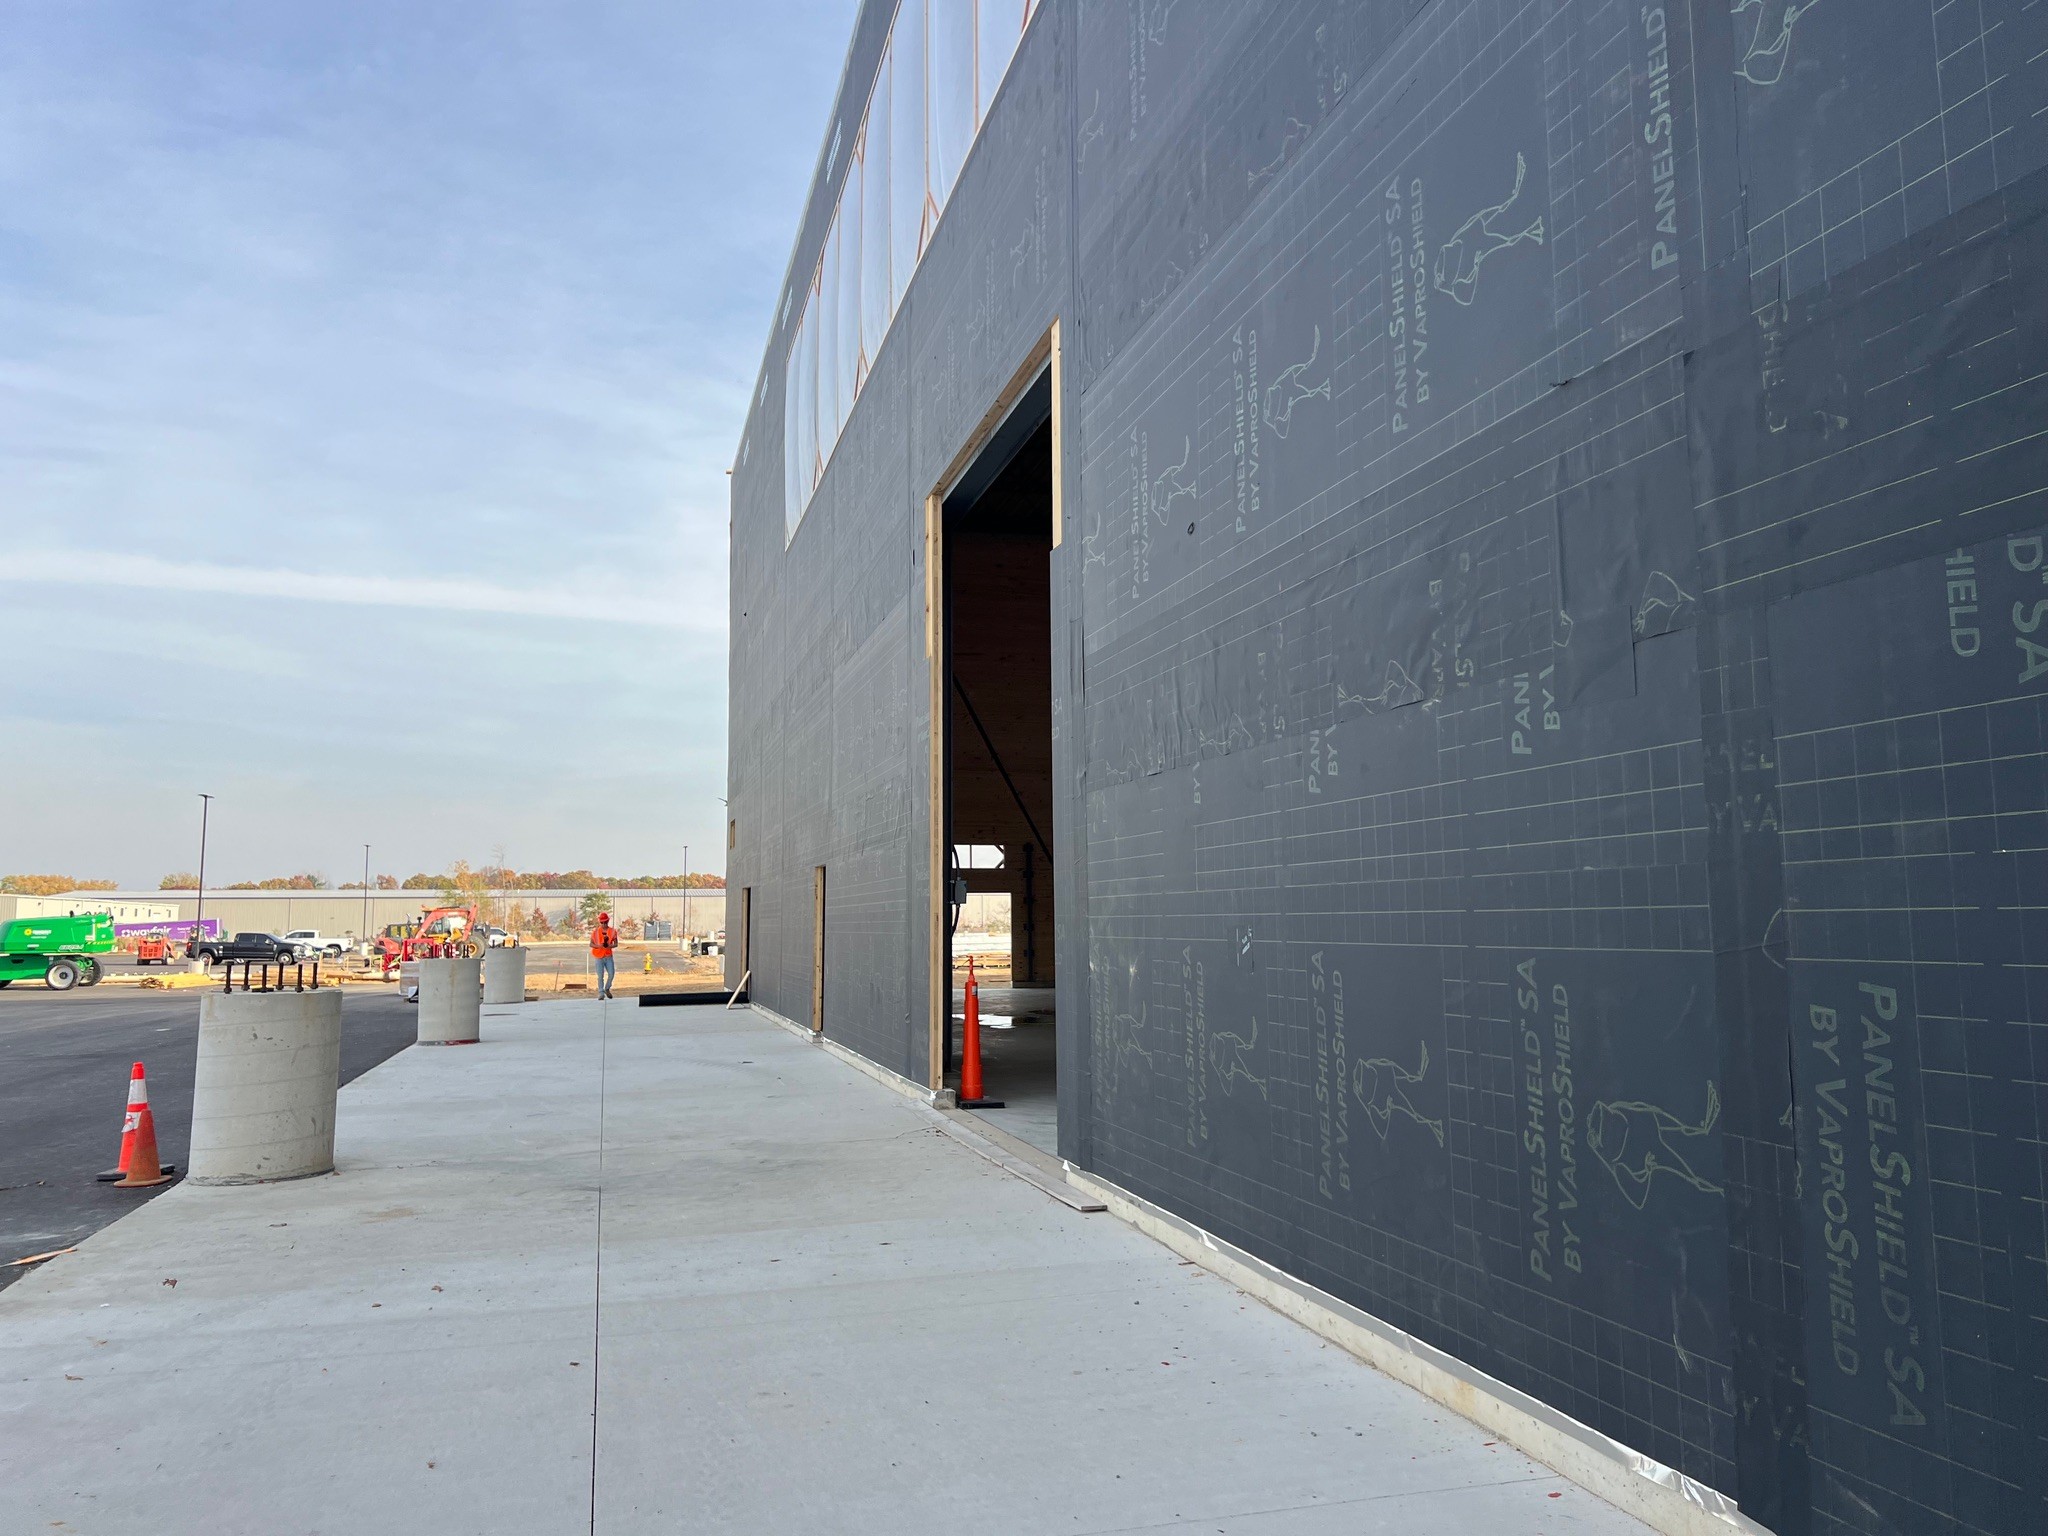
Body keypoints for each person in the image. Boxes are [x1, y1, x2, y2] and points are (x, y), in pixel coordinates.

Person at [590, 910, 619, 999]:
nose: (604, 924)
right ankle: (601, 993)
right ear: (600, 922)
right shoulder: (595, 932)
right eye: (602, 922)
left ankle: (607, 988)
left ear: (607, 921)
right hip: (598, 956)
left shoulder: (612, 931)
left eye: (605, 922)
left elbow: (616, 944)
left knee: (611, 974)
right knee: (600, 976)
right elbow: (591, 944)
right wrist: (599, 946)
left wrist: (610, 946)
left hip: (608, 956)